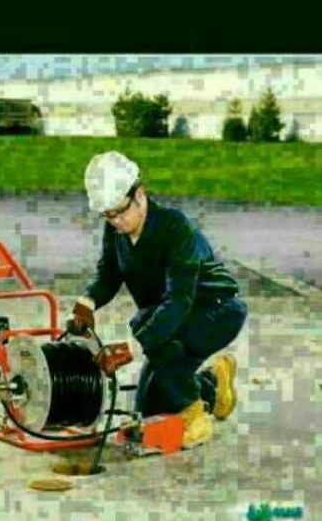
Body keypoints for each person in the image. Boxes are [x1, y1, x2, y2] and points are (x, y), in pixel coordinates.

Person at [67, 151, 248, 448]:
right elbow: (109, 273)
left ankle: (194, 419)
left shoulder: (175, 227)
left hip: (215, 311)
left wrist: (131, 348)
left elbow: (179, 300)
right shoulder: (116, 230)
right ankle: (214, 385)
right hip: (169, 315)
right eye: (108, 215)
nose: (116, 221)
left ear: (139, 194)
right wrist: (86, 303)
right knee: (150, 408)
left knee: (155, 342)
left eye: (120, 211)